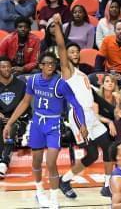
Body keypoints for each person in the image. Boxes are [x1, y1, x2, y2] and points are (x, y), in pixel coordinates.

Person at [2, 52, 87, 209]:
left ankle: (54, 198)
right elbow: (25, 102)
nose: (50, 66)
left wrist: (83, 125)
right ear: (40, 65)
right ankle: (40, 191)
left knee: (51, 163)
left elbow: (77, 105)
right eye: (47, 63)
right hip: (37, 124)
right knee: (36, 161)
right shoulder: (33, 80)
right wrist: (9, 123)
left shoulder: (61, 84)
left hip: (53, 124)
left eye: (53, 64)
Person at [53, 14, 114, 198]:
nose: (75, 54)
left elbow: (94, 96)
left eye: (76, 52)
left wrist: (114, 111)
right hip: (78, 116)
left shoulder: (80, 72)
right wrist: (57, 25)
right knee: (92, 155)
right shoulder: (67, 71)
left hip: (91, 116)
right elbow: (61, 46)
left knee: (109, 148)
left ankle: (107, 185)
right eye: (71, 52)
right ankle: (64, 180)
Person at [0, 56, 28, 178]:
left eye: (8, 66)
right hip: (1, 119)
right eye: (3, 67)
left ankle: (3, 163)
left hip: (18, 119)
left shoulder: (21, 84)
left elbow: (25, 105)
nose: (6, 69)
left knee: (11, 127)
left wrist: (12, 119)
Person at [93, 74, 121, 142]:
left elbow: (117, 117)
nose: (110, 83)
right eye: (107, 81)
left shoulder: (119, 95)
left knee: (118, 122)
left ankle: (119, 146)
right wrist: (109, 122)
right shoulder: (97, 96)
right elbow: (95, 116)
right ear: (103, 84)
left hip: (115, 122)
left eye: (112, 81)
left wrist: (118, 103)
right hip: (101, 121)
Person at [96, 19, 121, 88]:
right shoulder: (107, 40)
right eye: (118, 29)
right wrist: (98, 73)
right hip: (110, 72)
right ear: (114, 31)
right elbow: (99, 58)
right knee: (95, 79)